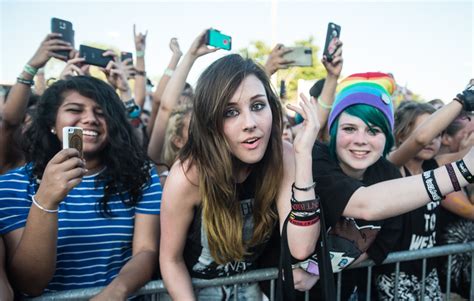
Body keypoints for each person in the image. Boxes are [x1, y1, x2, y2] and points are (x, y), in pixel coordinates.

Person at [159, 29, 321, 300]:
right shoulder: (189, 174)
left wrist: (303, 156)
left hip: (248, 291)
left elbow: (301, 247)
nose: (250, 123)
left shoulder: (285, 156)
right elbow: (171, 260)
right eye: (231, 112)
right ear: (211, 121)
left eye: (258, 106)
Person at [296, 72, 474, 299]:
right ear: (333, 132)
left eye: (374, 130)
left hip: (351, 291)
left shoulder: (388, 173)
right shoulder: (316, 159)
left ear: (386, 137)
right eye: (349, 128)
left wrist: (323, 268)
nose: (361, 139)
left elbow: (379, 245)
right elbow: (366, 204)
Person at [0, 76, 161, 299]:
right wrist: (46, 201)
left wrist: (116, 292)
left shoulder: (141, 175)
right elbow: (31, 284)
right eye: (75, 109)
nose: (90, 119)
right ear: (51, 123)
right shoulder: (12, 186)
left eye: (102, 112)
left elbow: (146, 250)